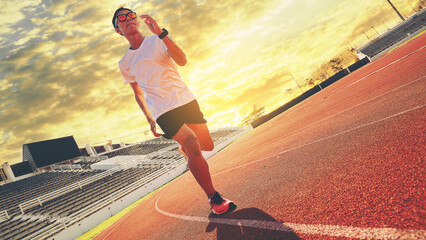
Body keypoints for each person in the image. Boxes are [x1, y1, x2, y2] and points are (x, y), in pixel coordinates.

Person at [112, 7, 236, 215]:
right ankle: (214, 198)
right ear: (118, 30)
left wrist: (162, 33)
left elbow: (182, 61)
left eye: (131, 15)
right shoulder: (125, 63)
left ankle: (185, 150)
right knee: (193, 145)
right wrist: (150, 119)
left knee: (206, 144)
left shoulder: (157, 39)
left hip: (185, 99)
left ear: (138, 21)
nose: (128, 19)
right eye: (122, 19)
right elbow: (138, 93)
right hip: (162, 109)